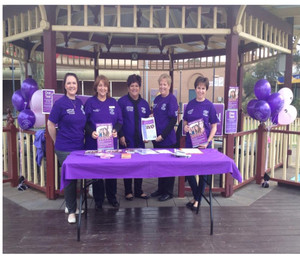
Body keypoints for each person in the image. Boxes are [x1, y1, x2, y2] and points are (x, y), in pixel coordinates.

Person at [47, 73, 87, 224]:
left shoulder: (80, 103)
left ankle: (71, 206)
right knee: (70, 179)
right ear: (64, 85)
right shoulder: (60, 103)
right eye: (69, 83)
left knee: (75, 177)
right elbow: (50, 124)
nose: (72, 86)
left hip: (79, 147)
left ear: (77, 85)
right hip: (64, 148)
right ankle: (71, 211)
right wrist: (56, 141)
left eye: (74, 83)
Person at [84, 75, 123, 209]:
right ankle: (98, 199)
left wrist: (116, 130)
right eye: (100, 85)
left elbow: (120, 121)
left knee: (111, 170)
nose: (102, 88)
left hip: (110, 144)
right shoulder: (90, 103)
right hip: (94, 143)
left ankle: (112, 197)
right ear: (96, 87)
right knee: (97, 171)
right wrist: (91, 132)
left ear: (108, 88)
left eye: (105, 85)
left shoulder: (114, 103)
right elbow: (84, 123)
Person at [183, 76, 219, 211]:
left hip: (204, 146)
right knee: (188, 171)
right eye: (198, 88)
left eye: (203, 88)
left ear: (206, 90)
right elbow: (185, 122)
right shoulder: (190, 104)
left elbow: (214, 126)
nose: (200, 91)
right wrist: (185, 128)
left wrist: (208, 141)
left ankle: (196, 200)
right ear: (195, 88)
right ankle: (196, 197)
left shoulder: (210, 106)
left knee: (203, 173)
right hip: (190, 144)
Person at [118, 74, 151, 201]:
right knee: (127, 165)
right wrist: (121, 135)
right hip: (126, 140)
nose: (134, 88)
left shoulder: (144, 104)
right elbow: (118, 120)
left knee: (139, 165)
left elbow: (148, 122)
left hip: (140, 142)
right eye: (132, 86)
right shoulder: (122, 102)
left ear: (140, 87)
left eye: (136, 86)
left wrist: (148, 135)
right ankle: (128, 191)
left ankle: (138, 190)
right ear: (128, 87)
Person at [150, 73, 179, 201]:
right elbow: (154, 117)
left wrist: (162, 135)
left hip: (167, 140)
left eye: (165, 84)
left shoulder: (171, 99)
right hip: (157, 140)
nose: (162, 87)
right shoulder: (156, 100)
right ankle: (161, 189)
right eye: (161, 84)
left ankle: (168, 192)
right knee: (160, 165)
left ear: (169, 85)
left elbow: (173, 120)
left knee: (168, 166)